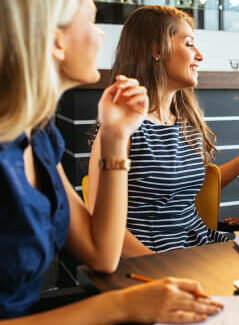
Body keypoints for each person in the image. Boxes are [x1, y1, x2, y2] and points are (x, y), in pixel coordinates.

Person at [0, 0, 222, 323]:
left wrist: (117, 136)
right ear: (57, 41)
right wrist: (122, 305)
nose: (101, 36)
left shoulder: (38, 139)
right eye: (92, 21)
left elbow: (102, 255)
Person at [88, 5, 239, 256]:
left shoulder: (186, 123)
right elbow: (100, 222)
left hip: (197, 247)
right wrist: (160, 267)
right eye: (190, 44)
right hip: (152, 259)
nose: (200, 56)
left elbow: (197, 186)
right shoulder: (119, 128)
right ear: (156, 49)